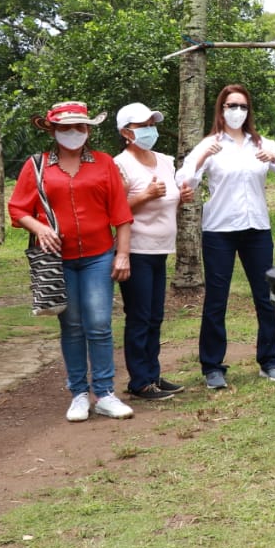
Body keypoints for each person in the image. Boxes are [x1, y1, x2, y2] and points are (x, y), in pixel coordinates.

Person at [9, 101, 135, 422]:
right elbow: (17, 208)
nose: (73, 133)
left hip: (98, 256)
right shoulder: (37, 165)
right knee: (73, 326)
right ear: (52, 130)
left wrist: (122, 254)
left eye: (80, 127)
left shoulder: (104, 163)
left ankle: (105, 393)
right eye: (65, 128)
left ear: (88, 129)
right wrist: (39, 227)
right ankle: (79, 393)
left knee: (100, 325)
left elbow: (121, 213)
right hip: (57, 260)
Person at [176, 84, 275, 389]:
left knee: (265, 296)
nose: (237, 111)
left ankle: (270, 360)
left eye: (242, 106)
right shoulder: (210, 144)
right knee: (217, 300)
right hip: (219, 230)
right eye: (231, 106)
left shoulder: (260, 143)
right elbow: (184, 179)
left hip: (256, 228)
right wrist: (201, 154)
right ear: (221, 109)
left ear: (249, 111)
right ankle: (212, 366)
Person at [114, 102, 194, 401]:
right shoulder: (119, 164)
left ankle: (152, 374)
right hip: (135, 248)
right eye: (142, 125)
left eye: (152, 123)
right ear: (125, 132)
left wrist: (182, 198)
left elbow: (169, 201)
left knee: (155, 316)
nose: (150, 129)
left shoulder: (165, 160)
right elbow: (114, 211)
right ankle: (139, 381)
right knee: (139, 316)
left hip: (161, 249)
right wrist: (145, 196)